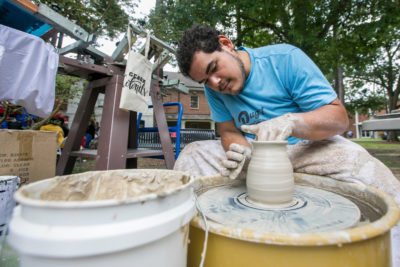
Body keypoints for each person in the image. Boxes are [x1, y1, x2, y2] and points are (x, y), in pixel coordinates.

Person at [173, 24, 400, 266]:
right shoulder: (215, 88)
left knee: (363, 166)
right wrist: (242, 154)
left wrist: (293, 122)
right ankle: (199, 252)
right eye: (205, 80)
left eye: (214, 69)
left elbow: (338, 118)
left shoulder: (284, 59)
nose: (216, 83)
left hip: (307, 146)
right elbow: (228, 130)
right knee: (192, 155)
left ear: (226, 44)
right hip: (254, 154)